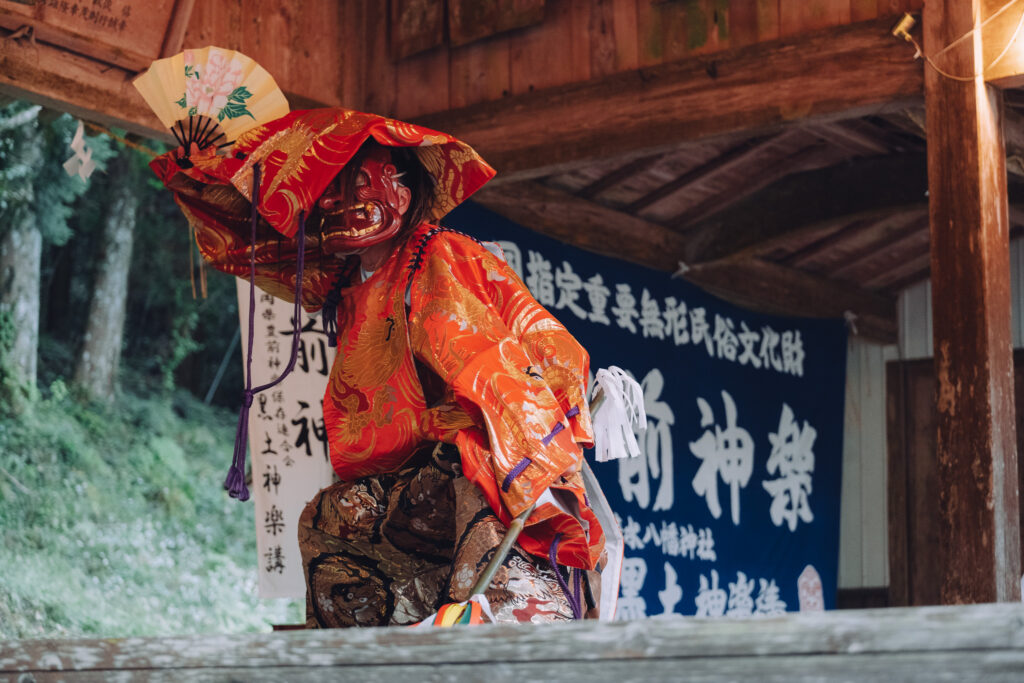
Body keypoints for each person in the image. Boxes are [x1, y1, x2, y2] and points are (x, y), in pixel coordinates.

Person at [150, 107, 605, 627]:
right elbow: (252, 239)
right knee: (331, 517)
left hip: (471, 459)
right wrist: (201, 172)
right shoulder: (345, 278)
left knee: (475, 518)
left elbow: (490, 367)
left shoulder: (435, 258)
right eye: (328, 189)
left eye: (359, 185)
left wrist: (535, 464)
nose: (338, 203)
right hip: (398, 480)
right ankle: (366, 649)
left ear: (404, 194)